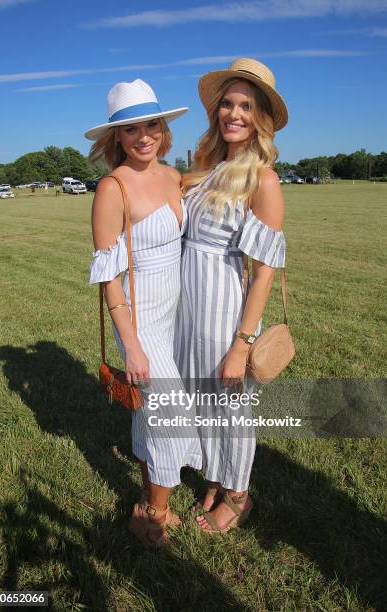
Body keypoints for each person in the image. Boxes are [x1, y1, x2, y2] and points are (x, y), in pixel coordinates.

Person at [86, 79, 201, 546]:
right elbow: (109, 278)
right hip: (137, 319)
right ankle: (151, 513)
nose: (144, 135)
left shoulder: (175, 176)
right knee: (173, 413)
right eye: (131, 129)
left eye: (151, 124)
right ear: (117, 137)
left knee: (152, 413)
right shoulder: (112, 187)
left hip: (174, 314)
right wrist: (130, 345)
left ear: (163, 128)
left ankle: (151, 499)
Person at [174, 58, 288, 532]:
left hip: (227, 314)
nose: (233, 113)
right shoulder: (207, 168)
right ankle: (217, 477)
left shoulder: (263, 179)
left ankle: (238, 496)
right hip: (190, 311)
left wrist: (241, 345)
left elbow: (262, 274)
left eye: (245, 105)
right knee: (203, 401)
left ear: (259, 117)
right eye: (227, 103)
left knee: (231, 407)